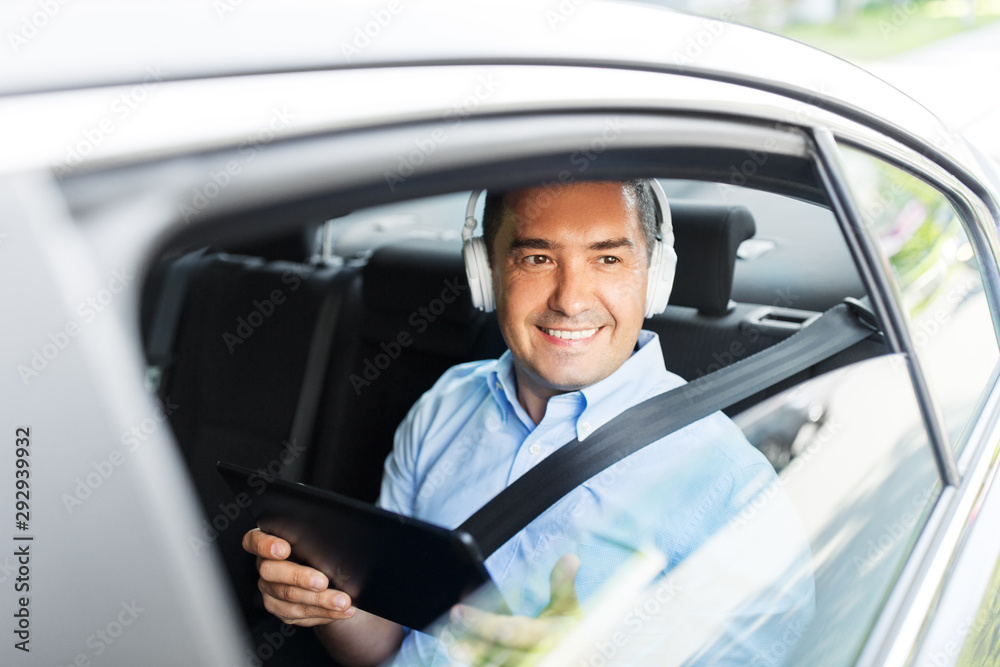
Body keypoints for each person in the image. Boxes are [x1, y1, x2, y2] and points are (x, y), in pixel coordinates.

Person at [243, 180, 814, 666]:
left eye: (607, 258)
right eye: (537, 258)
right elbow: (388, 646)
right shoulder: (444, 406)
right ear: (486, 273)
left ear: (654, 276)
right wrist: (329, 605)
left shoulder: (732, 485)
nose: (569, 299)